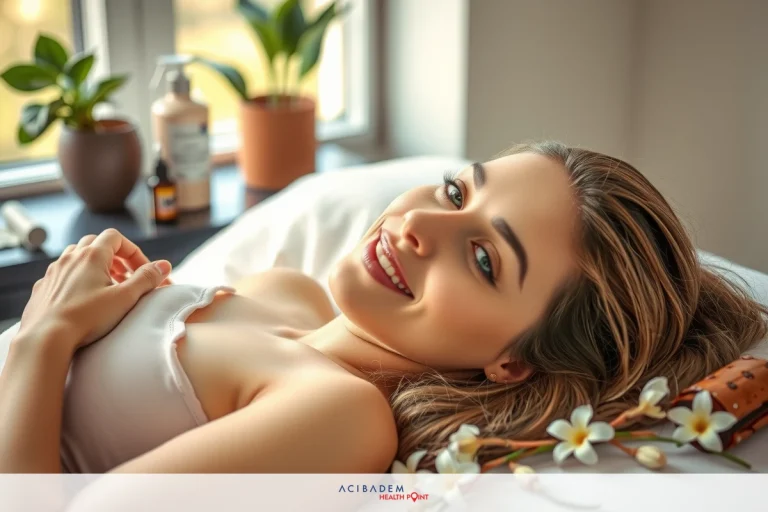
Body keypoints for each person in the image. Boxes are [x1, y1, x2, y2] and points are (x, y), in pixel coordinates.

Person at [0, 141, 766, 474]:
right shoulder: (283, 293)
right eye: (457, 191)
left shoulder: (340, 416)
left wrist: (46, 337)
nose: (419, 225)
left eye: (482, 258)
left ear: (514, 359)